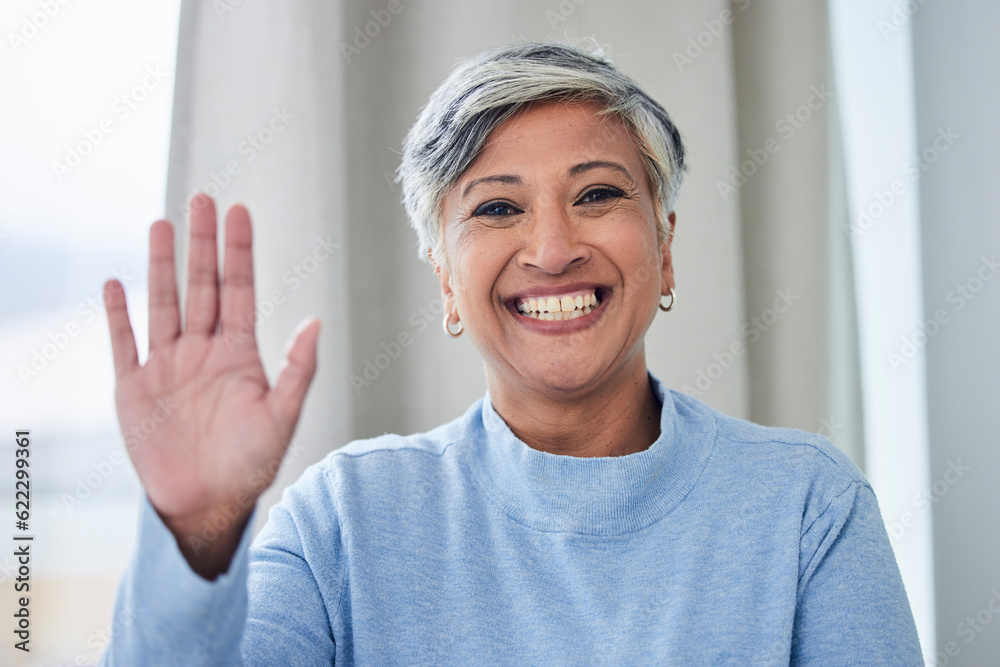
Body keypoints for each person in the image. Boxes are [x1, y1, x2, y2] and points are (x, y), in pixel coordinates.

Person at [99, 41, 921, 664]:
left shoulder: (810, 508)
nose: (553, 248)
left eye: (598, 193)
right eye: (497, 208)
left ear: (664, 247)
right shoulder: (341, 522)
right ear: (447, 280)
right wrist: (196, 532)